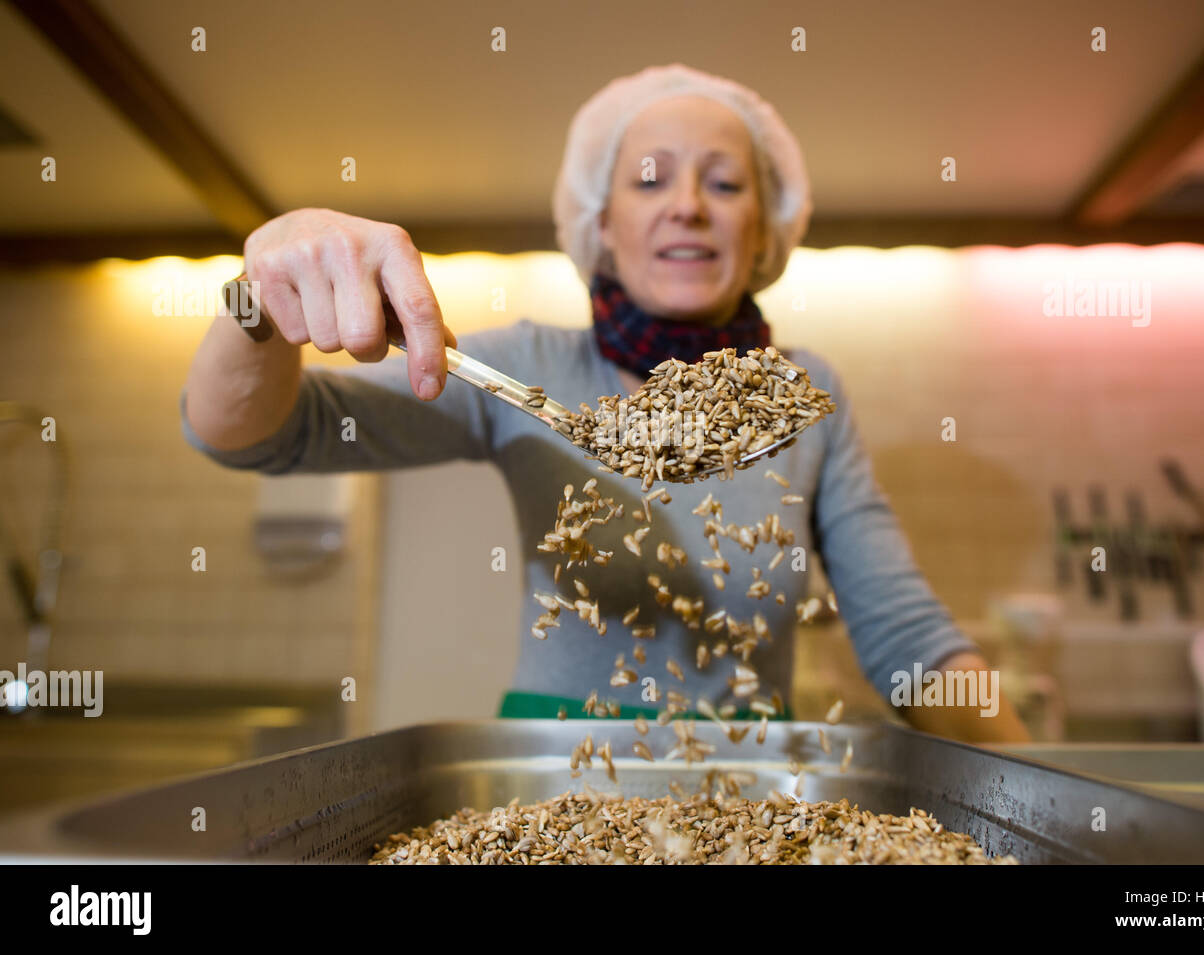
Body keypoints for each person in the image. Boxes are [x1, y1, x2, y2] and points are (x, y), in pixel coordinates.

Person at [182, 64, 1030, 744]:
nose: (688, 204)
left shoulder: (806, 394)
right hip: (551, 780)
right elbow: (266, 436)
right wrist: (261, 297)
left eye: (727, 184)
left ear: (766, 233)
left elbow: (909, 640)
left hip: (760, 795)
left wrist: (1035, 791)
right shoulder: (529, 365)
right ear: (602, 224)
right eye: (651, 181)